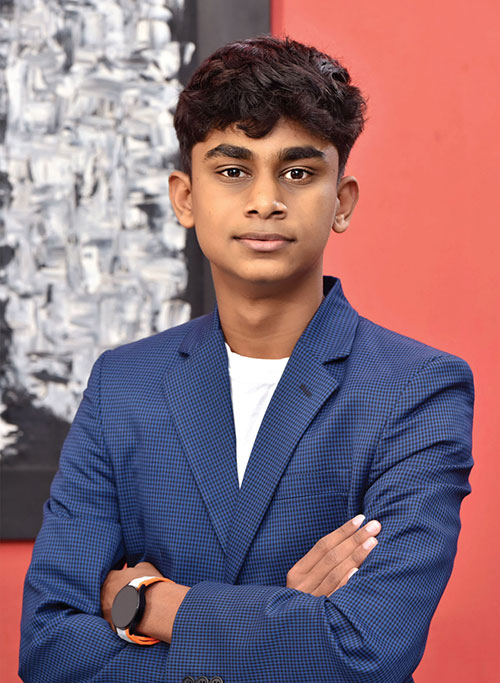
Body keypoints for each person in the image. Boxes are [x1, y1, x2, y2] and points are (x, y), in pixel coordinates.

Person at [19, 35, 474, 683]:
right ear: (185, 197)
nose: (266, 200)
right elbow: (49, 648)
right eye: (233, 171)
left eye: (298, 172)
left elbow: (366, 651)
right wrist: (285, 619)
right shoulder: (123, 384)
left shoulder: (417, 389)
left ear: (342, 201)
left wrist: (150, 604)